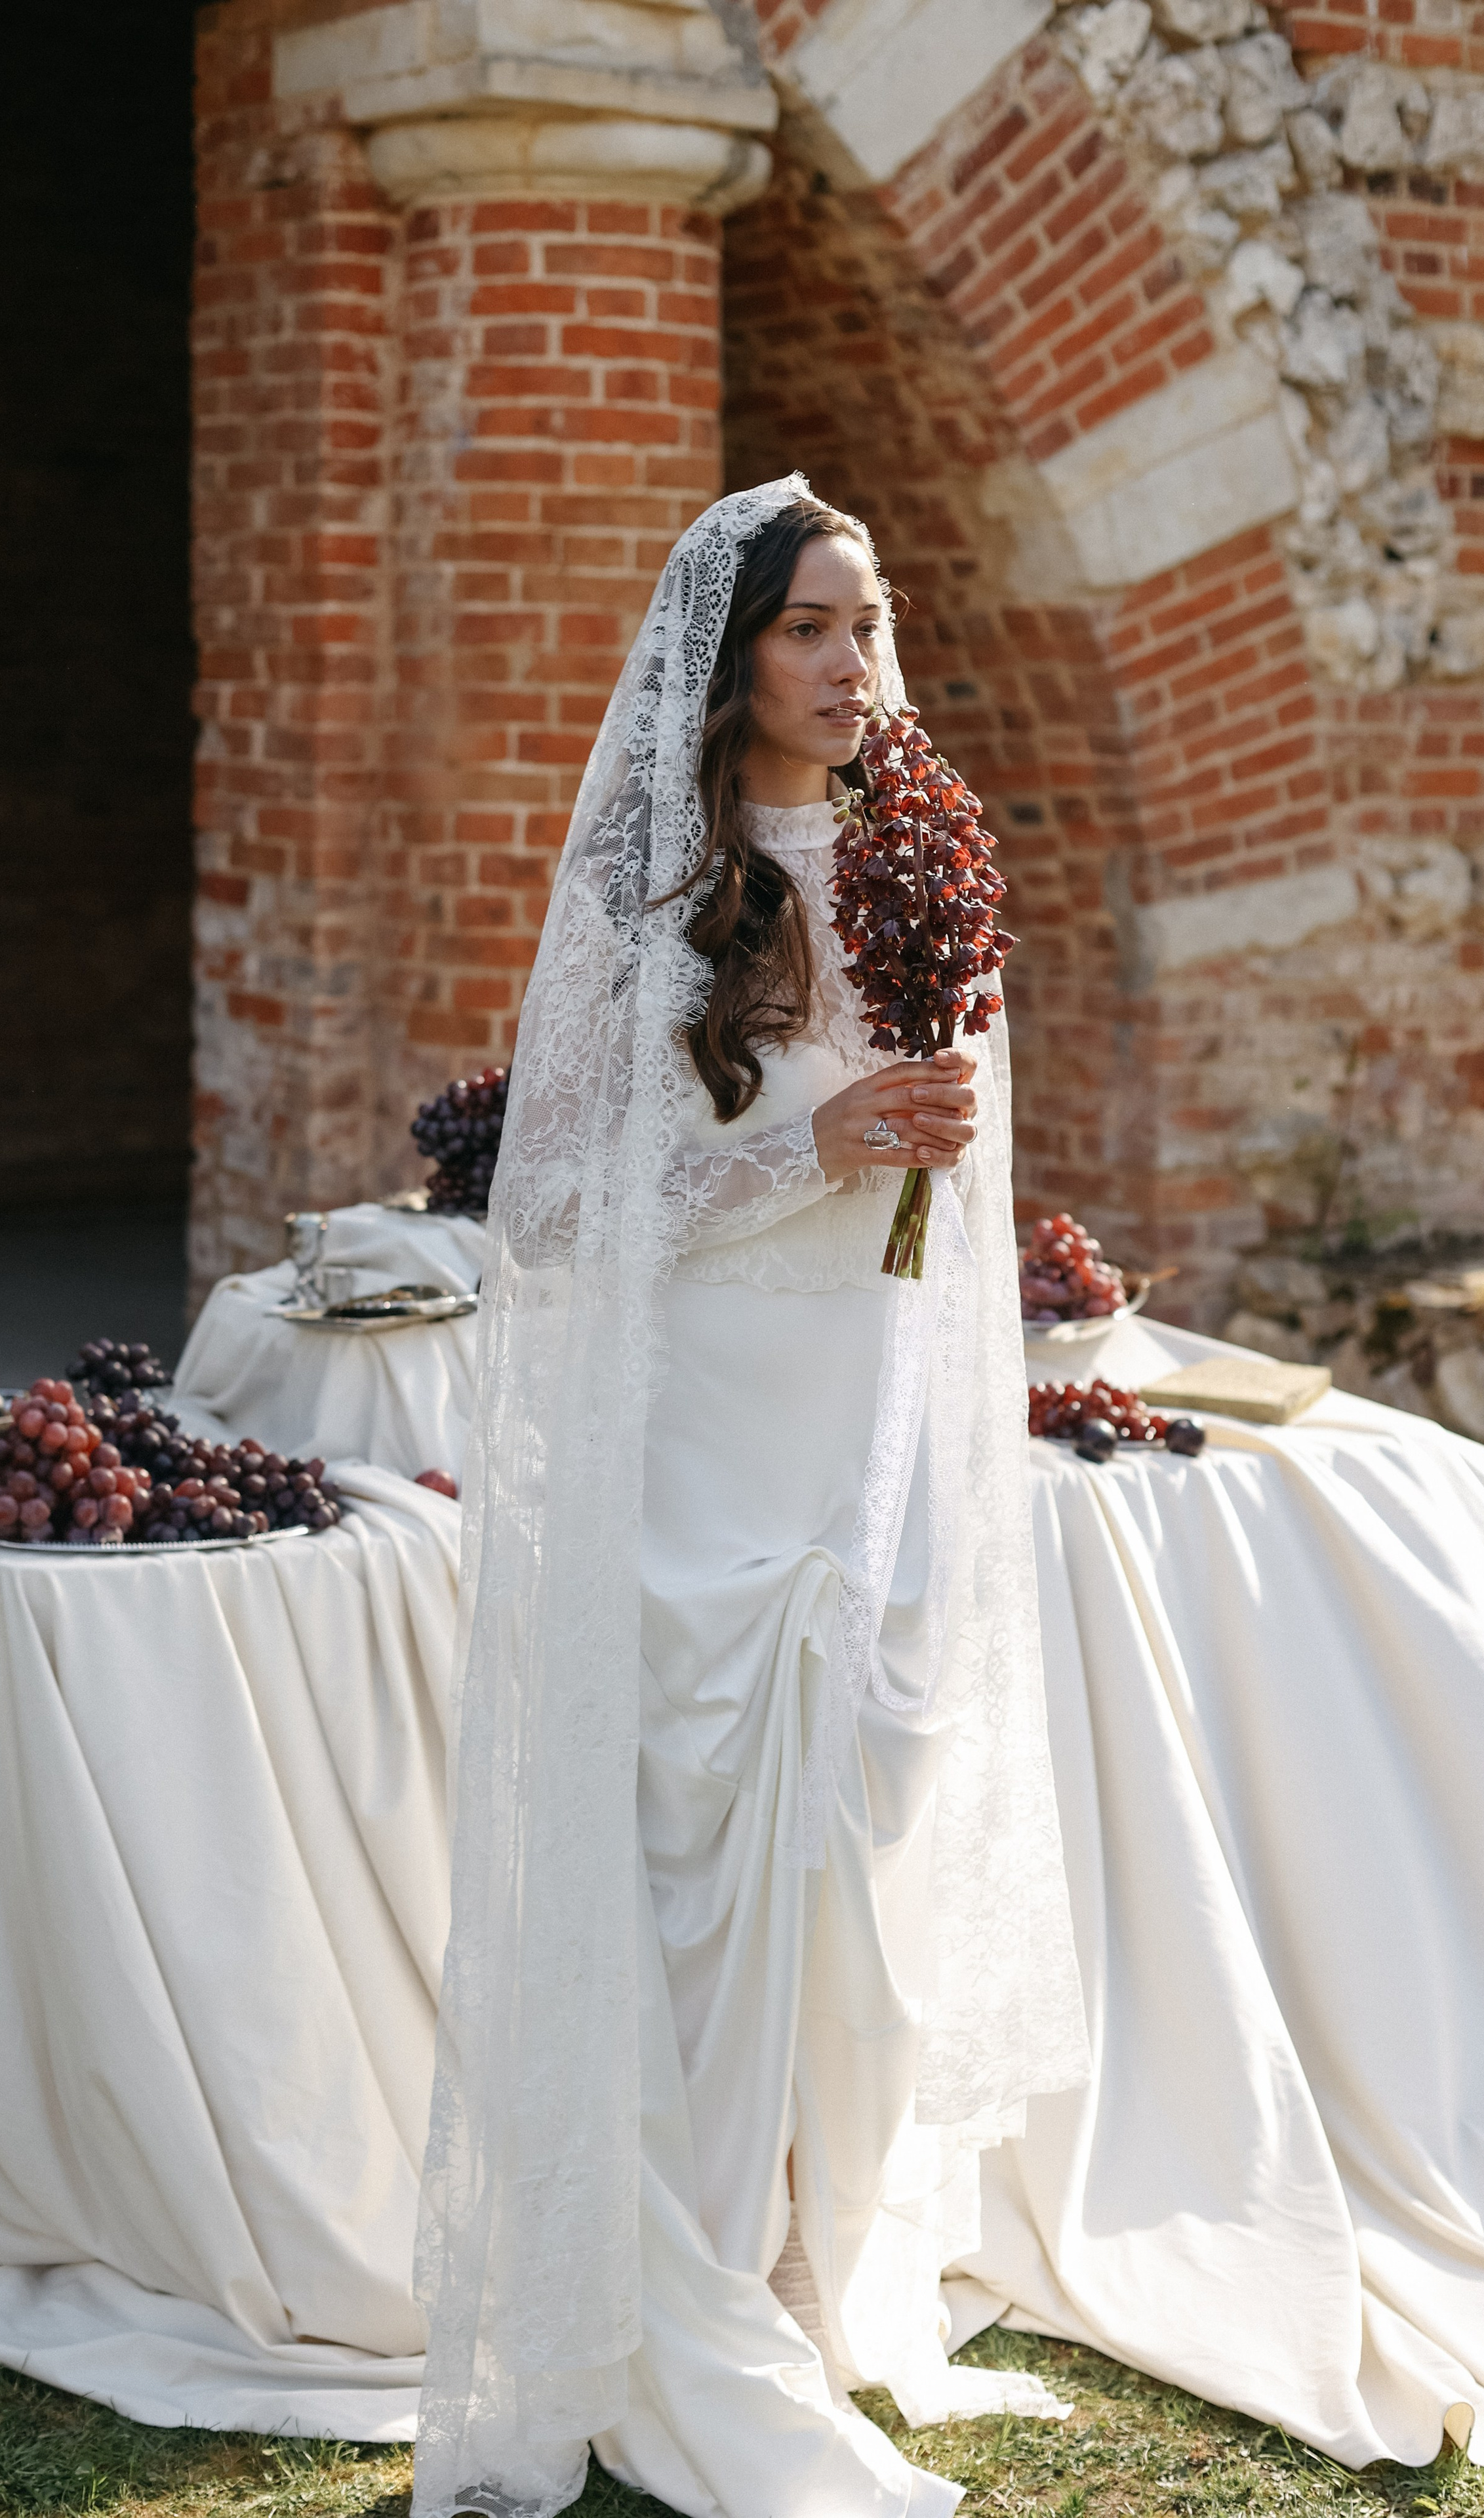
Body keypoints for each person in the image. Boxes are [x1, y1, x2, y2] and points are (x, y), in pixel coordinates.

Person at [413, 477, 1088, 2518]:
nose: (849, 663)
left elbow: (935, 1159)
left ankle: (819, 2262)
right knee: (699, 1856)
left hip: (866, 1421)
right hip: (708, 1433)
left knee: (854, 1859)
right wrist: (818, 1148)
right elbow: (546, 1206)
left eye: (866, 625)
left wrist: (934, 1152)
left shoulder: (916, 856)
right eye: (809, 627)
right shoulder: (662, 890)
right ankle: (666, 2289)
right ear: (727, 663)